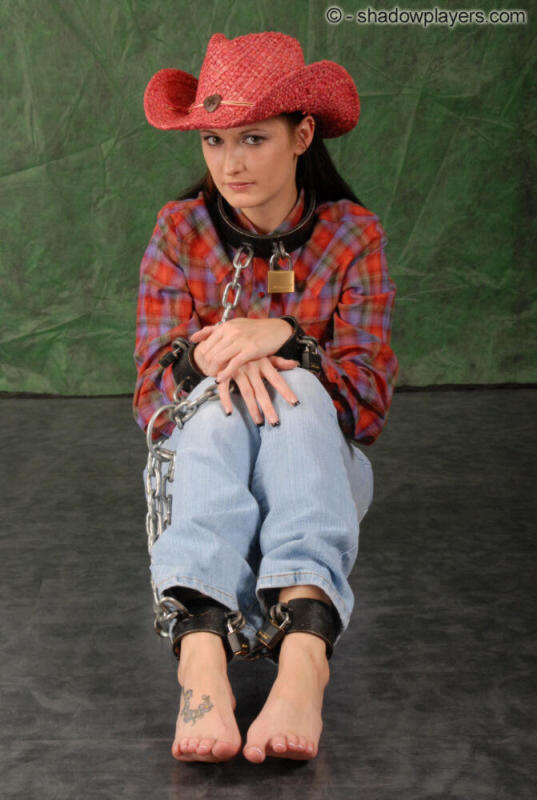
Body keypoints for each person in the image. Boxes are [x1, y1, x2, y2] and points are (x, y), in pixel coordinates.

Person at [133, 31, 399, 765]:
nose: (231, 164)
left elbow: (368, 405)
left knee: (299, 391)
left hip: (313, 471)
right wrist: (206, 359)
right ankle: (201, 662)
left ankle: (305, 660)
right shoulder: (181, 229)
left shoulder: (351, 235)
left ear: (301, 135)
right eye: (214, 141)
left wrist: (288, 340)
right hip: (207, 466)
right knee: (216, 409)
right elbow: (151, 400)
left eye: (253, 138)